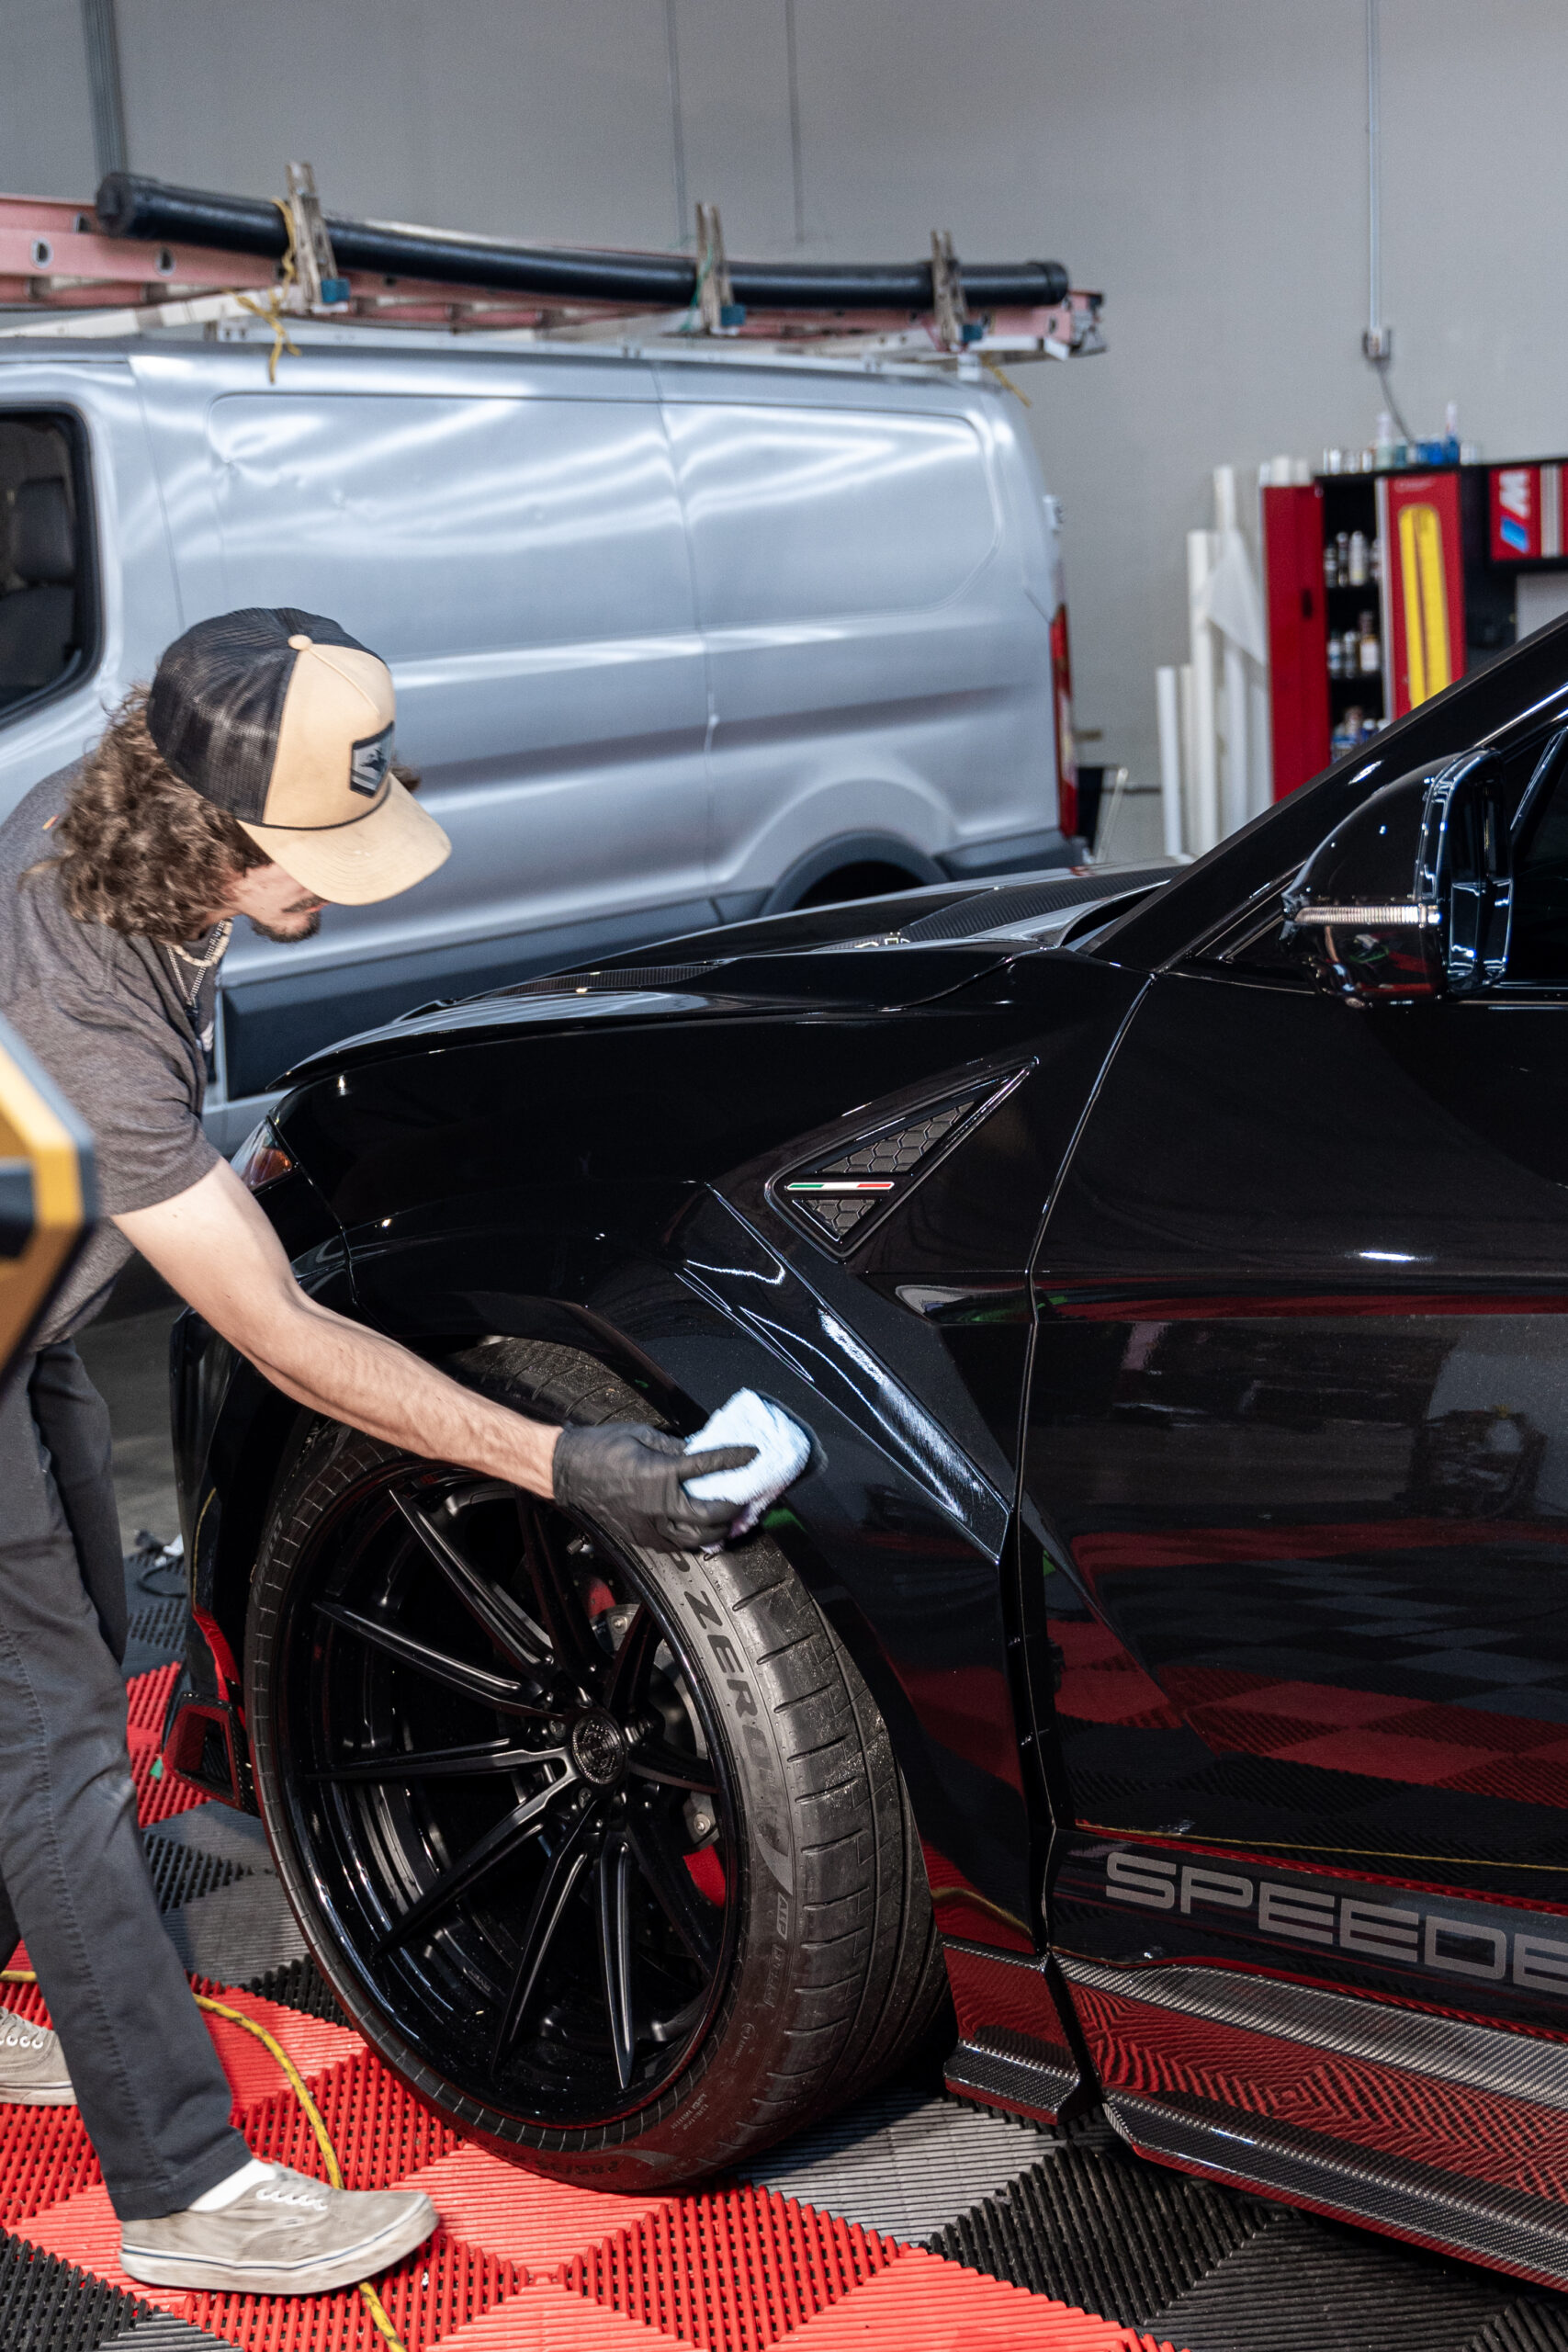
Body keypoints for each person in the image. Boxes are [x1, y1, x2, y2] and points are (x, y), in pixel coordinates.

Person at [0, 608, 752, 2298]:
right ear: (199, 818)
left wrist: (209, 1169)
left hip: (19, 1295)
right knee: (50, 1744)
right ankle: (185, 2194)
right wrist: (560, 1466)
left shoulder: (108, 810)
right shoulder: (86, 1014)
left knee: (47, 1677)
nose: (332, 885)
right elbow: (283, 1340)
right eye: (308, 854)